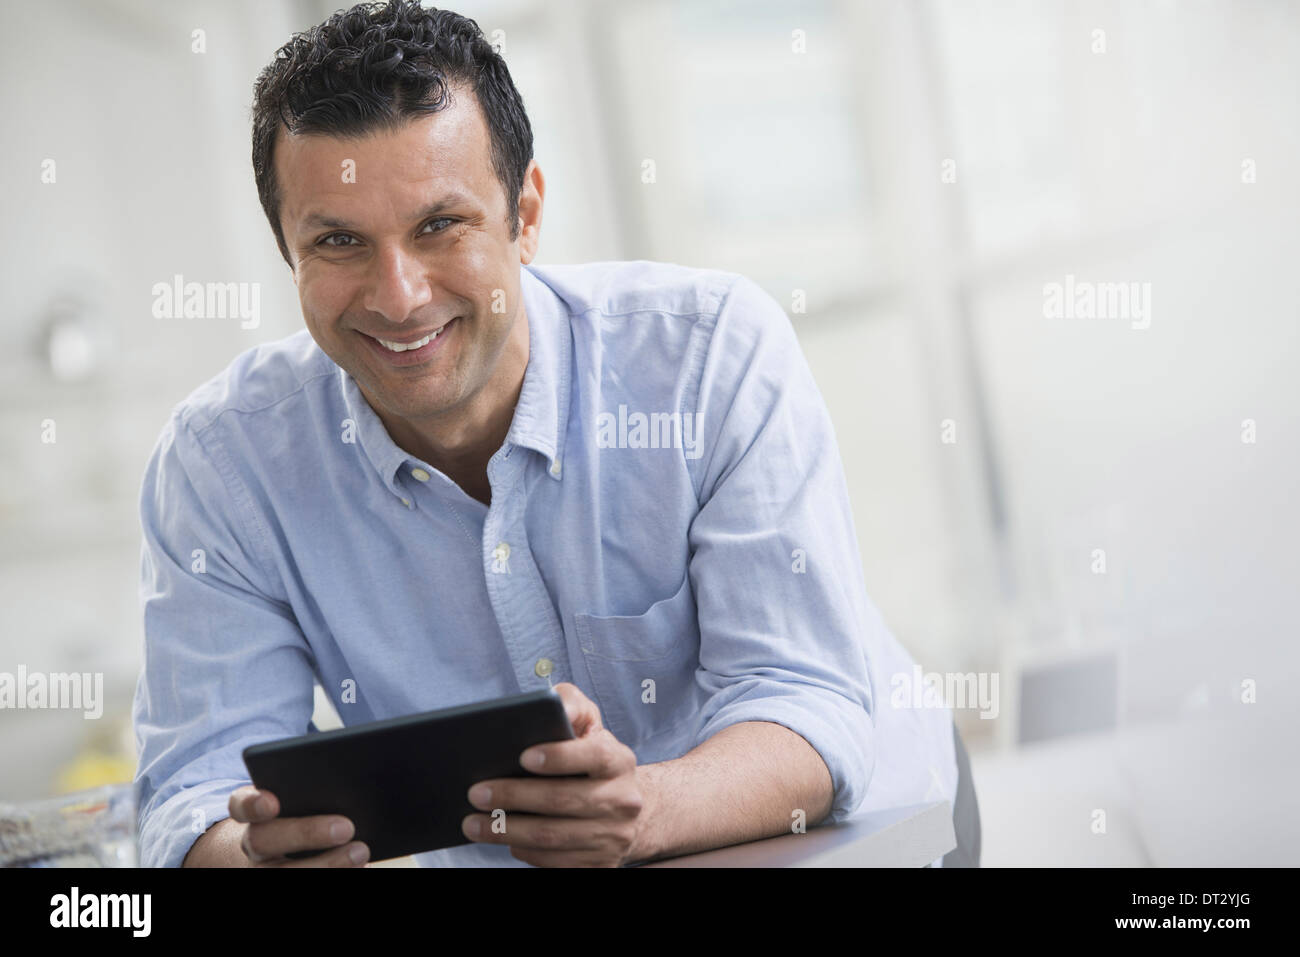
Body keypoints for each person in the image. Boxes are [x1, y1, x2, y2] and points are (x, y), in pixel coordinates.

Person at [132, 0, 975, 868]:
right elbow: (191, 797)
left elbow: (805, 700)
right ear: (287, 249)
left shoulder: (709, 354)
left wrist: (642, 807)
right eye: (340, 241)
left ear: (525, 215)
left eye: (439, 226)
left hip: (855, 830)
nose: (398, 295)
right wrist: (249, 858)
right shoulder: (221, 466)